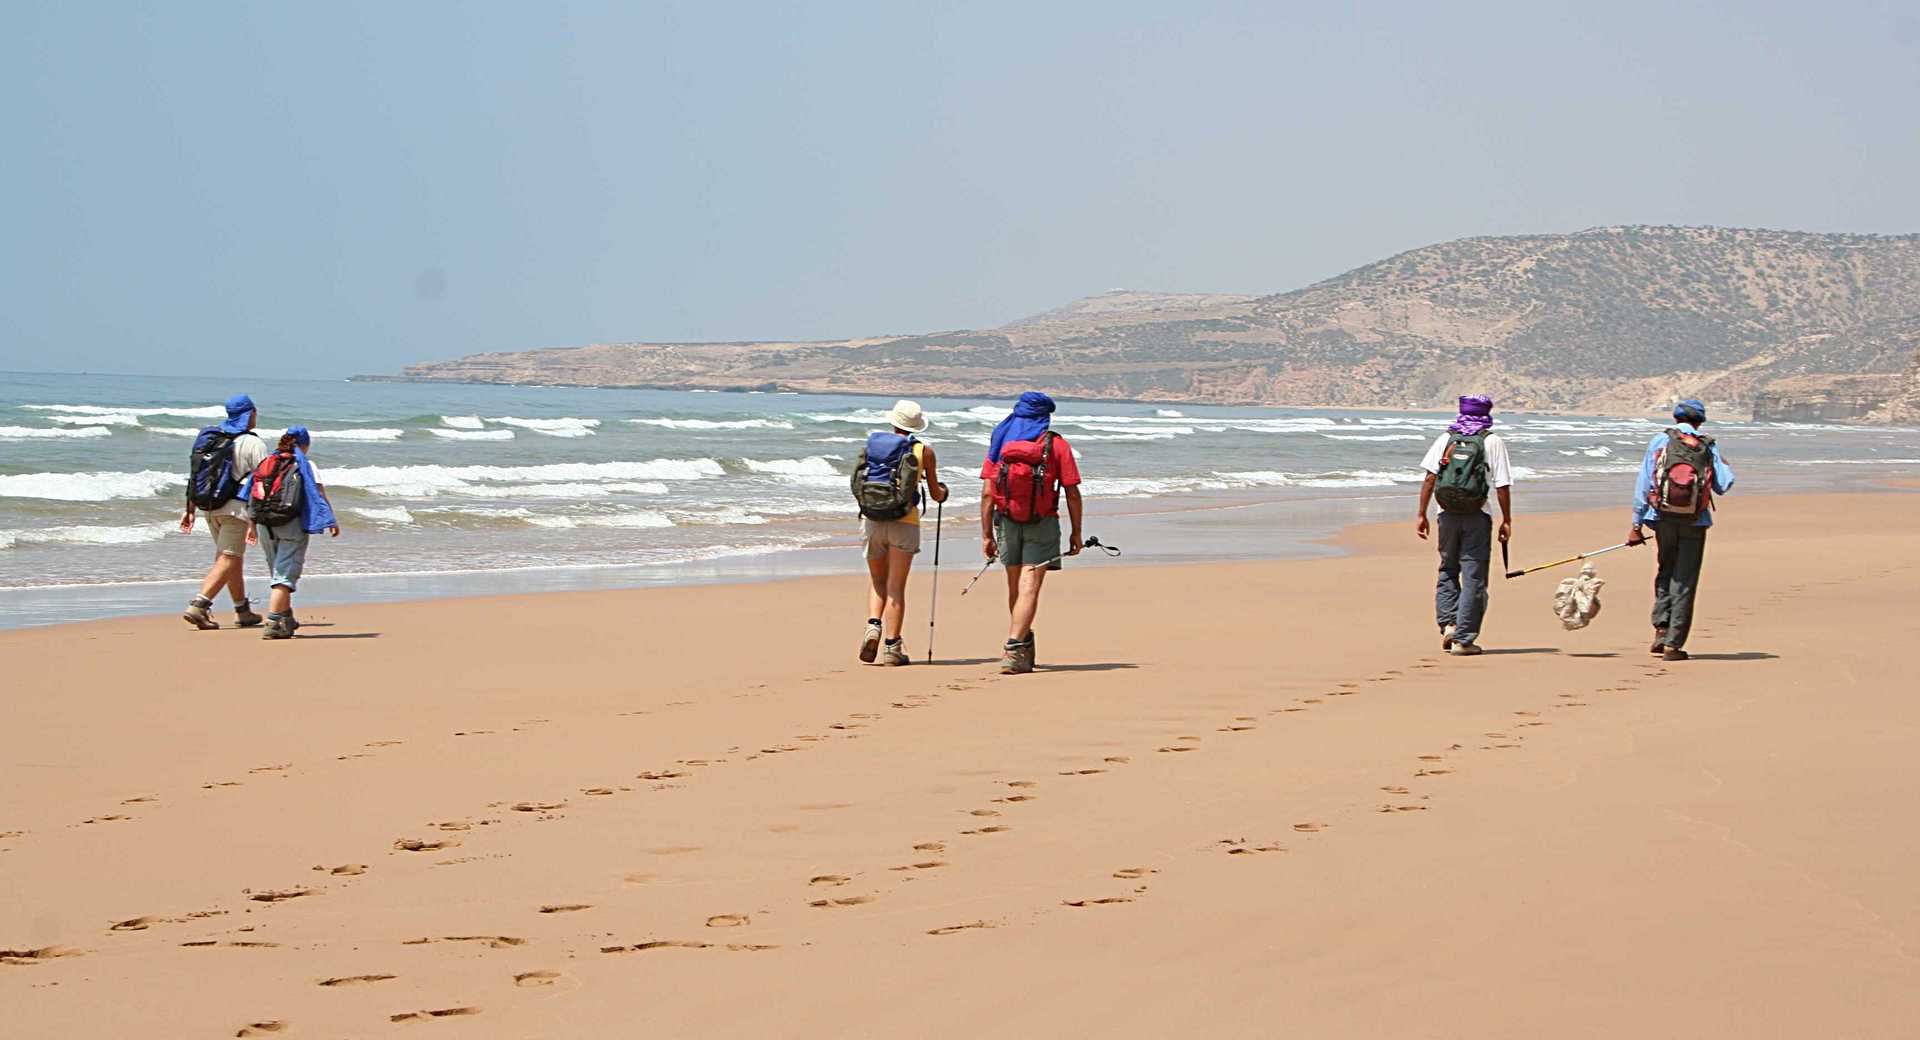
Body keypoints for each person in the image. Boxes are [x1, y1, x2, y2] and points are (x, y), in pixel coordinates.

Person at [979, 392, 1083, 675]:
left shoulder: (1002, 442)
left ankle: (1023, 643)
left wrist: (986, 534)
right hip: (1043, 522)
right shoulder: (1057, 445)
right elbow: (1072, 492)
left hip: (1007, 521)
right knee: (1030, 587)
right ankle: (1014, 648)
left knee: (1015, 587)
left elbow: (988, 493)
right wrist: (1077, 532)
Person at [1627, 399, 1735, 662]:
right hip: (1695, 521)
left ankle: (1661, 630)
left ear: (1676, 419)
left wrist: (1636, 525)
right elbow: (1724, 484)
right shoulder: (1708, 445)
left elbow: (1644, 482)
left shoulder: (1659, 441)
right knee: (1684, 580)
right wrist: (1724, 463)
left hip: (1661, 517)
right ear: (1700, 421)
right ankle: (1673, 645)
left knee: (1665, 570)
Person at [1415, 394, 1514, 656]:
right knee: (1474, 575)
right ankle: (1463, 639)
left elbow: (1429, 479)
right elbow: (1502, 485)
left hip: (1445, 514)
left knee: (1448, 568)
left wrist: (1421, 514)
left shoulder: (1445, 438)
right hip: (1477, 515)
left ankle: (1448, 624)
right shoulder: (1491, 441)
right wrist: (1507, 520)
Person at [855, 400, 950, 666]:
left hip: (872, 519)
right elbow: (935, 493)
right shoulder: (924, 451)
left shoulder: (872, 446)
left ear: (893, 421)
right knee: (896, 586)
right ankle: (892, 647)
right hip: (904, 522)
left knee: (877, 582)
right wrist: (944, 492)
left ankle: (873, 626)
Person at [179, 394, 269, 630]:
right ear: (250, 413)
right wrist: (256, 518)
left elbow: (195, 473)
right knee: (228, 558)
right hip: (236, 510)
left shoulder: (211, 438)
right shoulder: (253, 443)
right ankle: (199, 605)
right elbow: (262, 481)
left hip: (210, 508)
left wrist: (189, 509)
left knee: (231, 559)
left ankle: (243, 610)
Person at [243, 426, 341, 640]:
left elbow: (249, 494)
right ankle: (274, 621)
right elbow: (318, 494)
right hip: (291, 524)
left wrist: (251, 526)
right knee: (285, 576)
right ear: (305, 444)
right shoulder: (305, 465)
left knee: (277, 571)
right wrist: (330, 519)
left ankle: (286, 618)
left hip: (264, 524)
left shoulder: (267, 461)